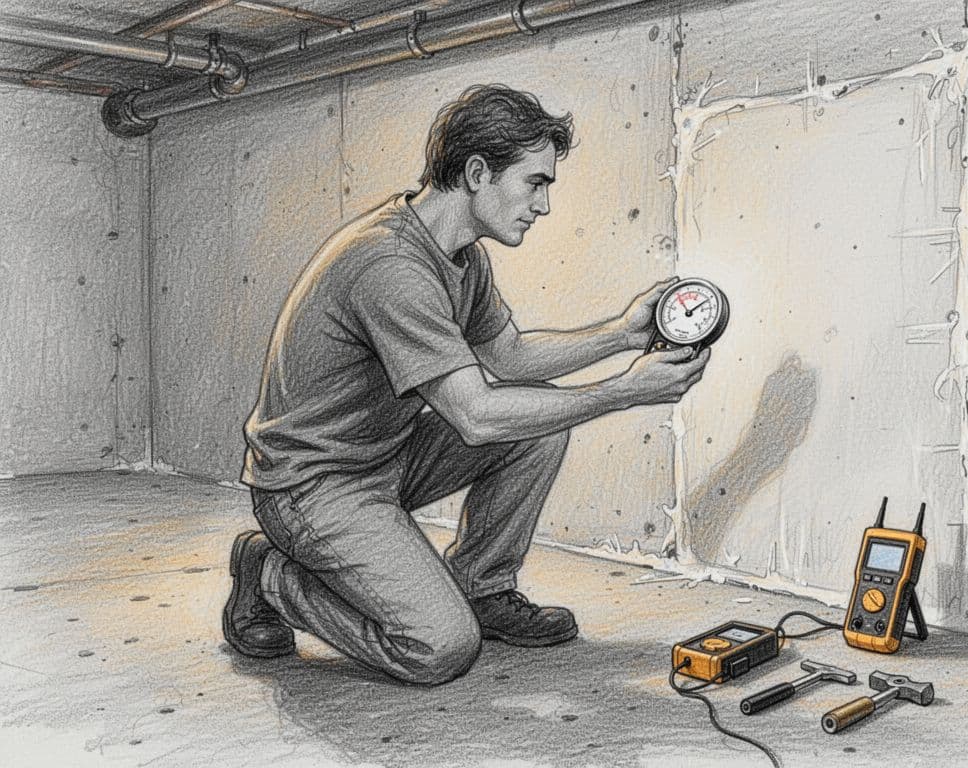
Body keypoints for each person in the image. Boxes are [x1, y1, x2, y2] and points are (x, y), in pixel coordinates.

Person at [221, 84, 710, 685]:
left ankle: (483, 588)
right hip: (311, 484)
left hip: (385, 458)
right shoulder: (391, 266)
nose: (543, 205)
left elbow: (513, 358)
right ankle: (270, 574)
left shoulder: (461, 256)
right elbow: (476, 416)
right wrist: (623, 392)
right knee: (438, 648)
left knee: (540, 422)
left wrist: (622, 335)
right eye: (535, 183)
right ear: (478, 173)